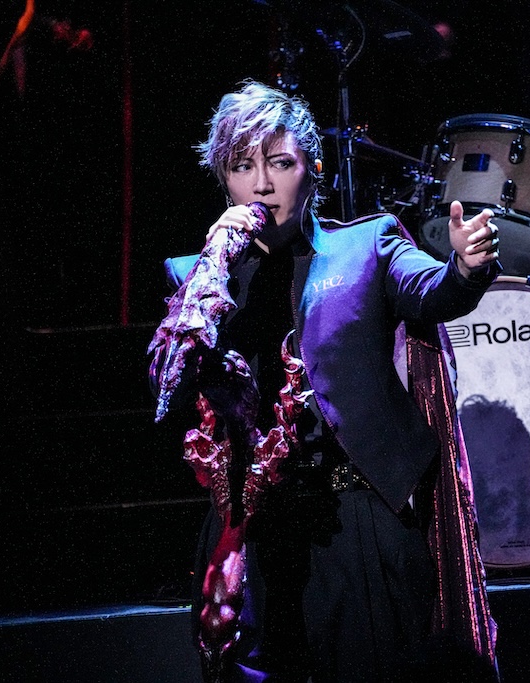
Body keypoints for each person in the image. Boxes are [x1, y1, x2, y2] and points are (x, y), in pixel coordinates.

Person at [148, 80, 501, 682]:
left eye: (280, 164)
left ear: (313, 169)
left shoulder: (366, 244)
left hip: (356, 514)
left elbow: (433, 292)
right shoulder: (195, 275)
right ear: (224, 181)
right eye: (242, 167)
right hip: (251, 525)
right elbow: (170, 387)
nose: (262, 185)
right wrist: (214, 264)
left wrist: (466, 267)